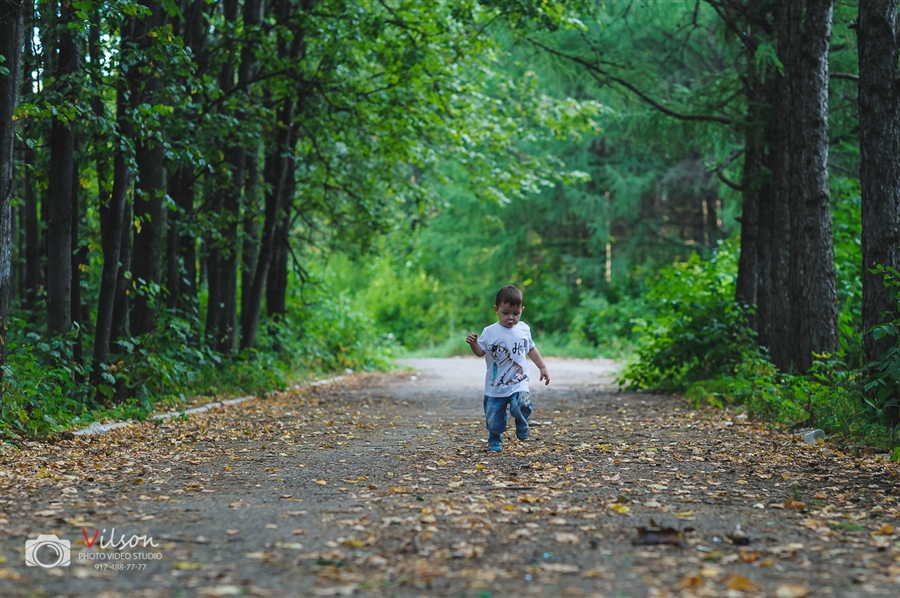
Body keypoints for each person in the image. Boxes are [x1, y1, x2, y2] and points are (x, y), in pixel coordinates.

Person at [466, 285, 550, 452]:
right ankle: (495, 438)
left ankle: (521, 421)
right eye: (506, 313)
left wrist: (542, 367)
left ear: (522, 310)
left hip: (519, 381)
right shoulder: (490, 331)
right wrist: (474, 343)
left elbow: (531, 349)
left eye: (516, 314)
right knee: (493, 416)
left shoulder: (524, 329)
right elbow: (480, 352)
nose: (511, 318)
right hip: (495, 385)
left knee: (522, 404)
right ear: (496, 310)